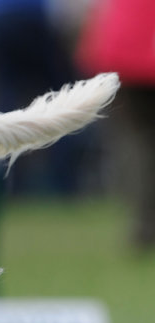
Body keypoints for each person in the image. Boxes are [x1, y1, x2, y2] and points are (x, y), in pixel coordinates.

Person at [76, 0, 155, 250]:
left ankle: (142, 225)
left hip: (123, 56)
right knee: (139, 144)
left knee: (135, 143)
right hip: (135, 56)